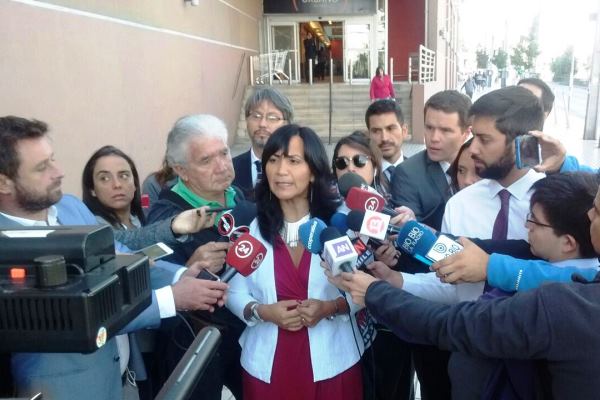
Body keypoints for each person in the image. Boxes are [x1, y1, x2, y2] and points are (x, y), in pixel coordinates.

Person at [0, 116, 228, 399]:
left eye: (53, 159)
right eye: (42, 167)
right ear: (4, 183)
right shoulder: (6, 247)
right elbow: (81, 312)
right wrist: (172, 298)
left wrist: (181, 275)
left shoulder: (70, 207)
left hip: (120, 376)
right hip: (65, 390)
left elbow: (122, 257)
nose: (59, 172)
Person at [329, 172, 600, 398]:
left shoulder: (562, 304)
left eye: (534, 221)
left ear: (568, 242)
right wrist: (398, 278)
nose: (525, 225)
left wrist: (374, 293)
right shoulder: (527, 253)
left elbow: (451, 324)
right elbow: (465, 282)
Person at [226, 124, 363, 400]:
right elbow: (233, 292)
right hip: (267, 366)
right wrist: (262, 311)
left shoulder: (340, 225)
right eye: (274, 160)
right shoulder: (250, 228)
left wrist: (330, 307)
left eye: (293, 161)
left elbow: (363, 290)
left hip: (334, 363)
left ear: (313, 171)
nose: (281, 170)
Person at [147, 114, 245, 400]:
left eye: (224, 153)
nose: (222, 166)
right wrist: (186, 268)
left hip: (245, 335)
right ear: (181, 170)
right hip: (195, 346)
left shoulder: (239, 197)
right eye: (206, 160)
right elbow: (149, 279)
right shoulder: (166, 217)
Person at [332, 131, 414, 400]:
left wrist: (393, 260)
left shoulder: (394, 213)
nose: (350, 169)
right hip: (348, 330)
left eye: (359, 161)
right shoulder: (329, 217)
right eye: (341, 163)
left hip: (390, 325)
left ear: (375, 166)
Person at [82, 145, 215, 251]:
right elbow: (125, 240)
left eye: (124, 176)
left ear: (135, 184)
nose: (117, 184)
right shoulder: (92, 227)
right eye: (105, 178)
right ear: (92, 189)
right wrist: (173, 226)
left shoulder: (141, 219)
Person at [391, 90, 471, 231]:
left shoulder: (483, 167)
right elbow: (410, 233)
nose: (434, 138)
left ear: (466, 133)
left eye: (445, 130)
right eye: (429, 127)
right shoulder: (407, 173)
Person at [232, 87, 293, 200]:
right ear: (247, 120)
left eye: (272, 117)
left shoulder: (297, 168)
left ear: (286, 124)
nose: (262, 124)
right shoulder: (230, 169)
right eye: (256, 116)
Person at [365, 100, 408, 200]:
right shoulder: (363, 175)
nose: (384, 138)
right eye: (376, 131)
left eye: (390, 128)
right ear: (368, 135)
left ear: (404, 131)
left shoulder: (420, 172)